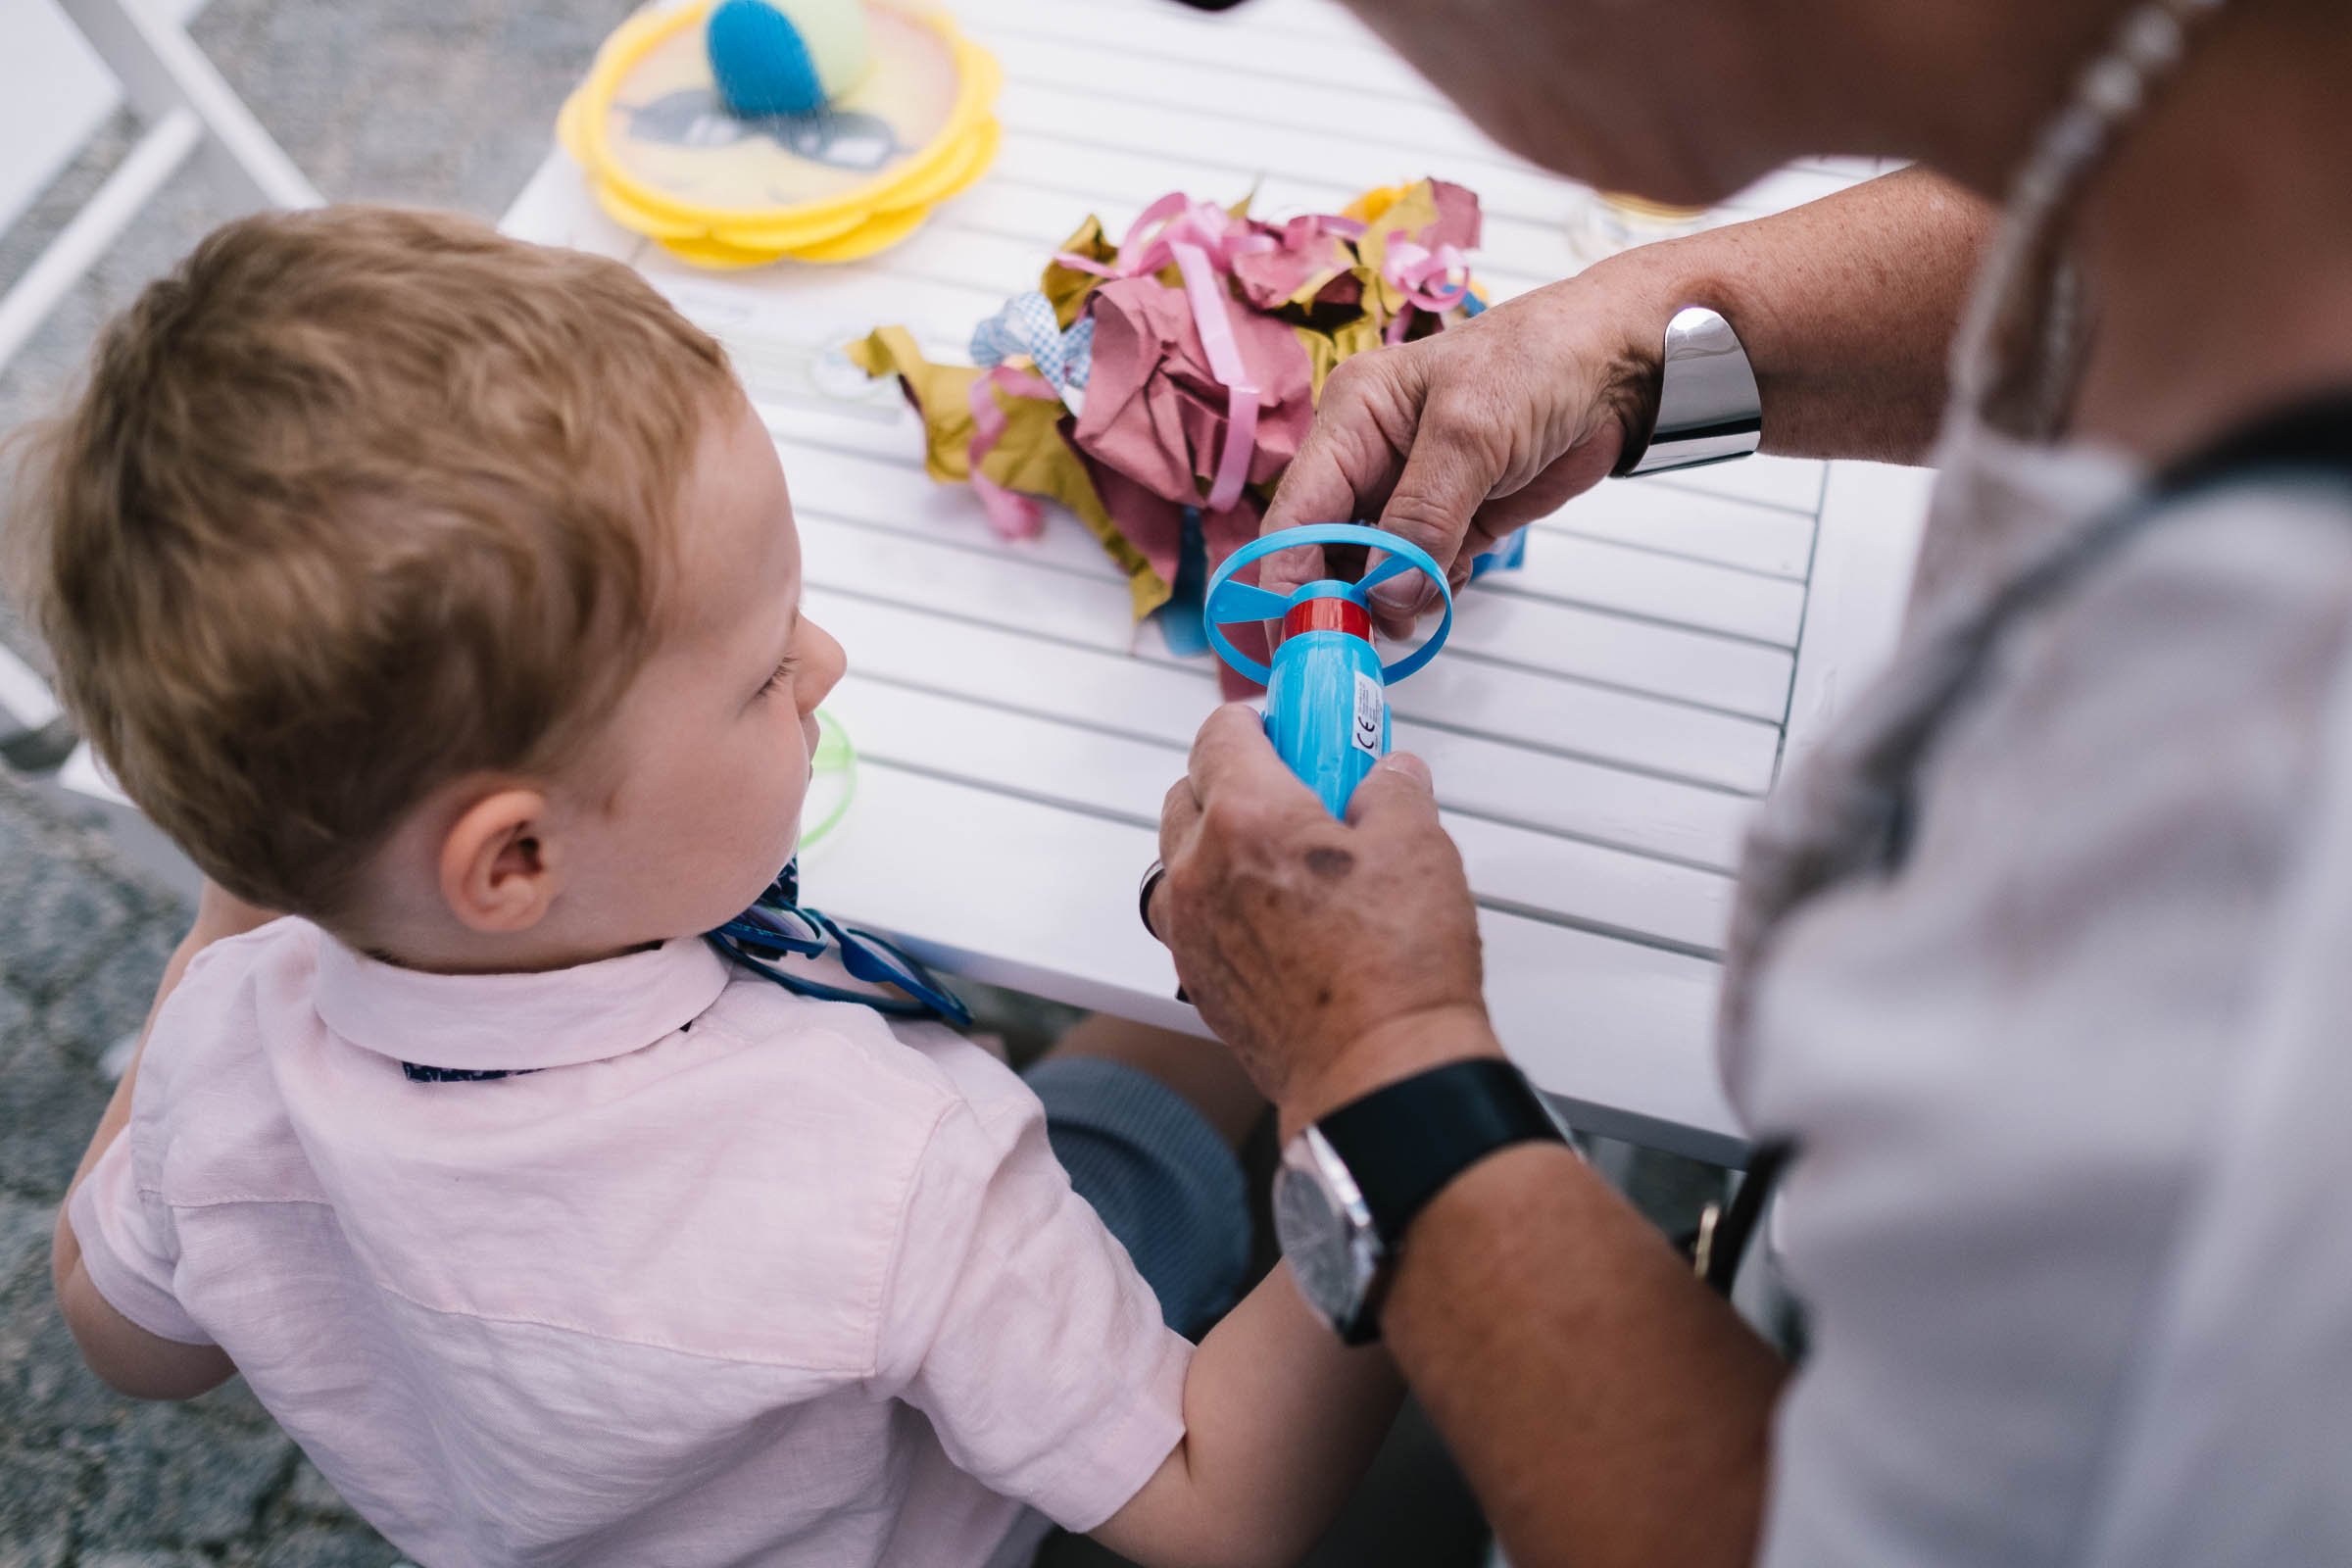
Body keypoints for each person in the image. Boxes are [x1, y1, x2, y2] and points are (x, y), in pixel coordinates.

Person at [14, 206, 1399, 1568]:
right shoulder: (885, 1164)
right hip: (971, 1484)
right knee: (1171, 1118)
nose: (828, 660)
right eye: (759, 677)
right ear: (515, 861)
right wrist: (1404, 1108)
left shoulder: (223, 1055)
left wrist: (233, 913)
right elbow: (1221, 1503)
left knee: (1143, 1064)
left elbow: (120, 1333)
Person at [1147, 0, 2352, 1563]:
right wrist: (1641, 342)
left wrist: (1373, 1058)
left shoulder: (2271, 840)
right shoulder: (2255, 100)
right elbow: (2136, 220)